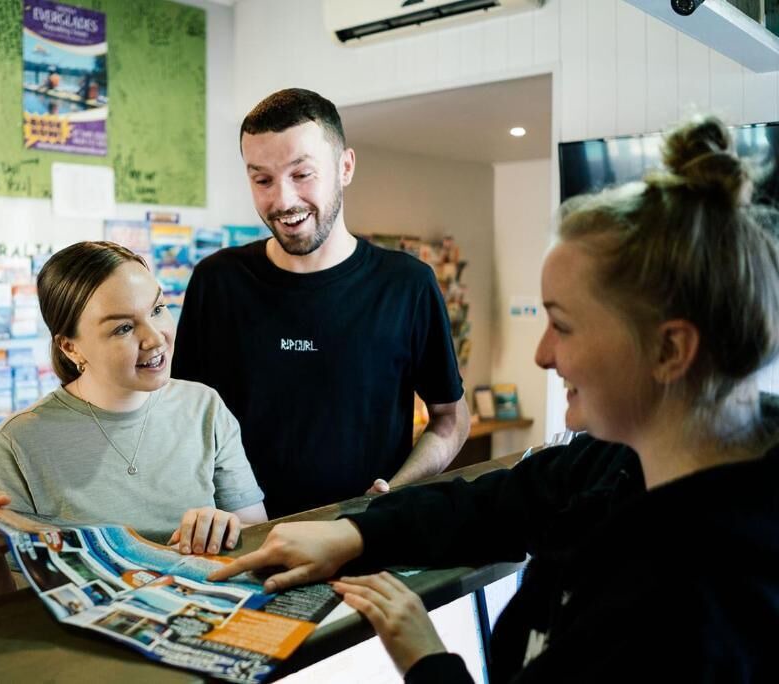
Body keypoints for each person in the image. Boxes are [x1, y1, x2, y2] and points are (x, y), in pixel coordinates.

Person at [209, 115, 779, 682]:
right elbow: (498, 502)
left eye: (564, 325)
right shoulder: (615, 462)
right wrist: (355, 532)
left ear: (670, 349)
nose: (541, 356)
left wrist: (426, 659)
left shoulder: (703, 600)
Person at [173, 88, 470, 518]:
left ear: (344, 167)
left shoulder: (406, 285)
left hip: (360, 540)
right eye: (262, 180)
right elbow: (182, 420)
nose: (282, 201)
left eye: (302, 174)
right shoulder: (217, 281)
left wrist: (395, 491)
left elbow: (450, 417)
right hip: (241, 540)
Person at [0, 242, 267, 603]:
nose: (154, 338)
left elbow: (257, 535)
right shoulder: (20, 441)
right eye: (123, 328)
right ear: (70, 348)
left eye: (158, 309)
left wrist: (228, 527)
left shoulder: (204, 406)